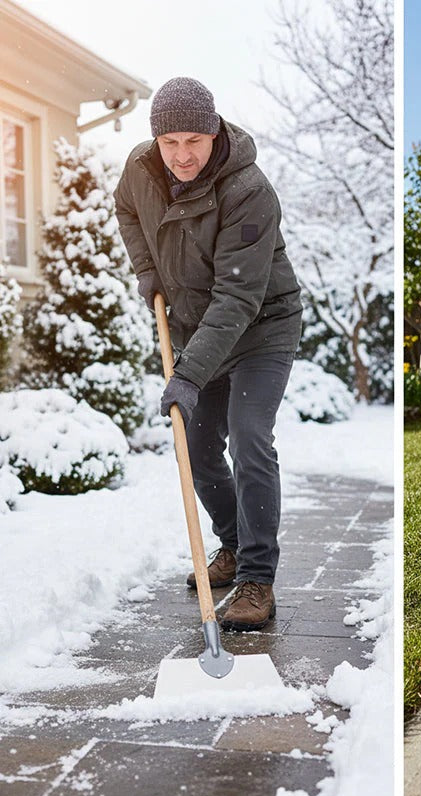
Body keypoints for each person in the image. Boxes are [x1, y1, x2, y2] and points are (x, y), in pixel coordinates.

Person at [114, 77, 303, 628]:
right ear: (156, 140)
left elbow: (239, 296)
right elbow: (127, 210)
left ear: (215, 130)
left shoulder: (248, 189)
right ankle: (234, 543)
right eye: (170, 142)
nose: (183, 154)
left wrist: (189, 376)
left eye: (194, 139)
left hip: (262, 326)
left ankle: (257, 580)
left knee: (248, 436)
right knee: (195, 446)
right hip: (200, 326)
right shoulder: (140, 170)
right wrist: (148, 273)